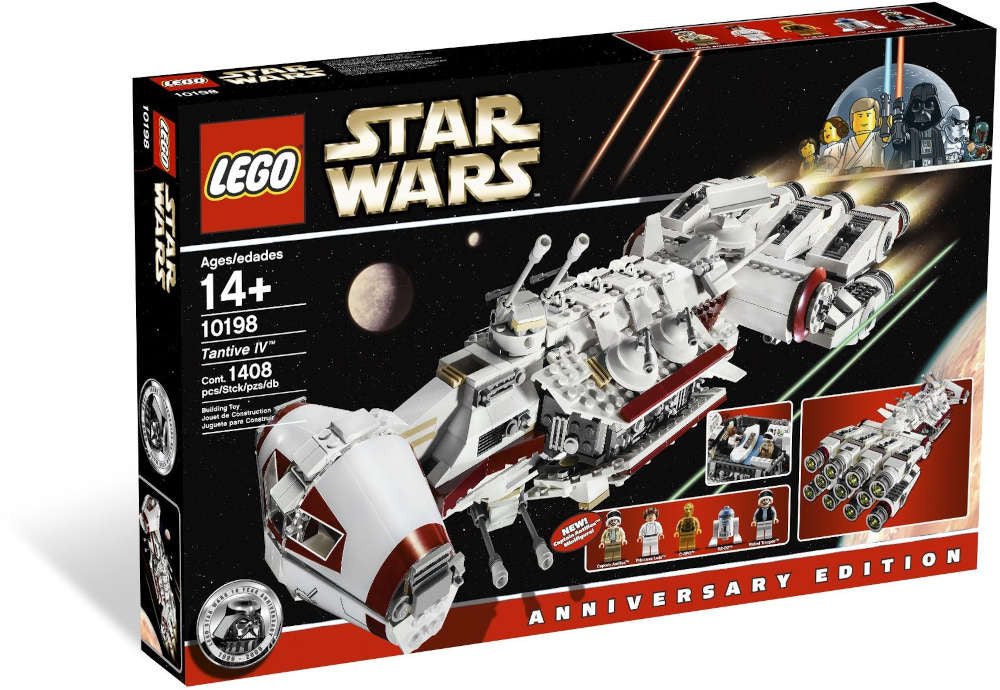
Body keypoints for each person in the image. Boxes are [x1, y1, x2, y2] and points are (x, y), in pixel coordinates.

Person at [826, 97, 891, 174]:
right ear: (852, 120)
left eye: (868, 115)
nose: (863, 120)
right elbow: (841, 163)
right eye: (860, 116)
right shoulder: (849, 141)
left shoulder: (876, 137)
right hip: (849, 176)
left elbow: (885, 138)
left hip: (872, 175)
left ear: (876, 120)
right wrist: (833, 175)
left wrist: (887, 126)